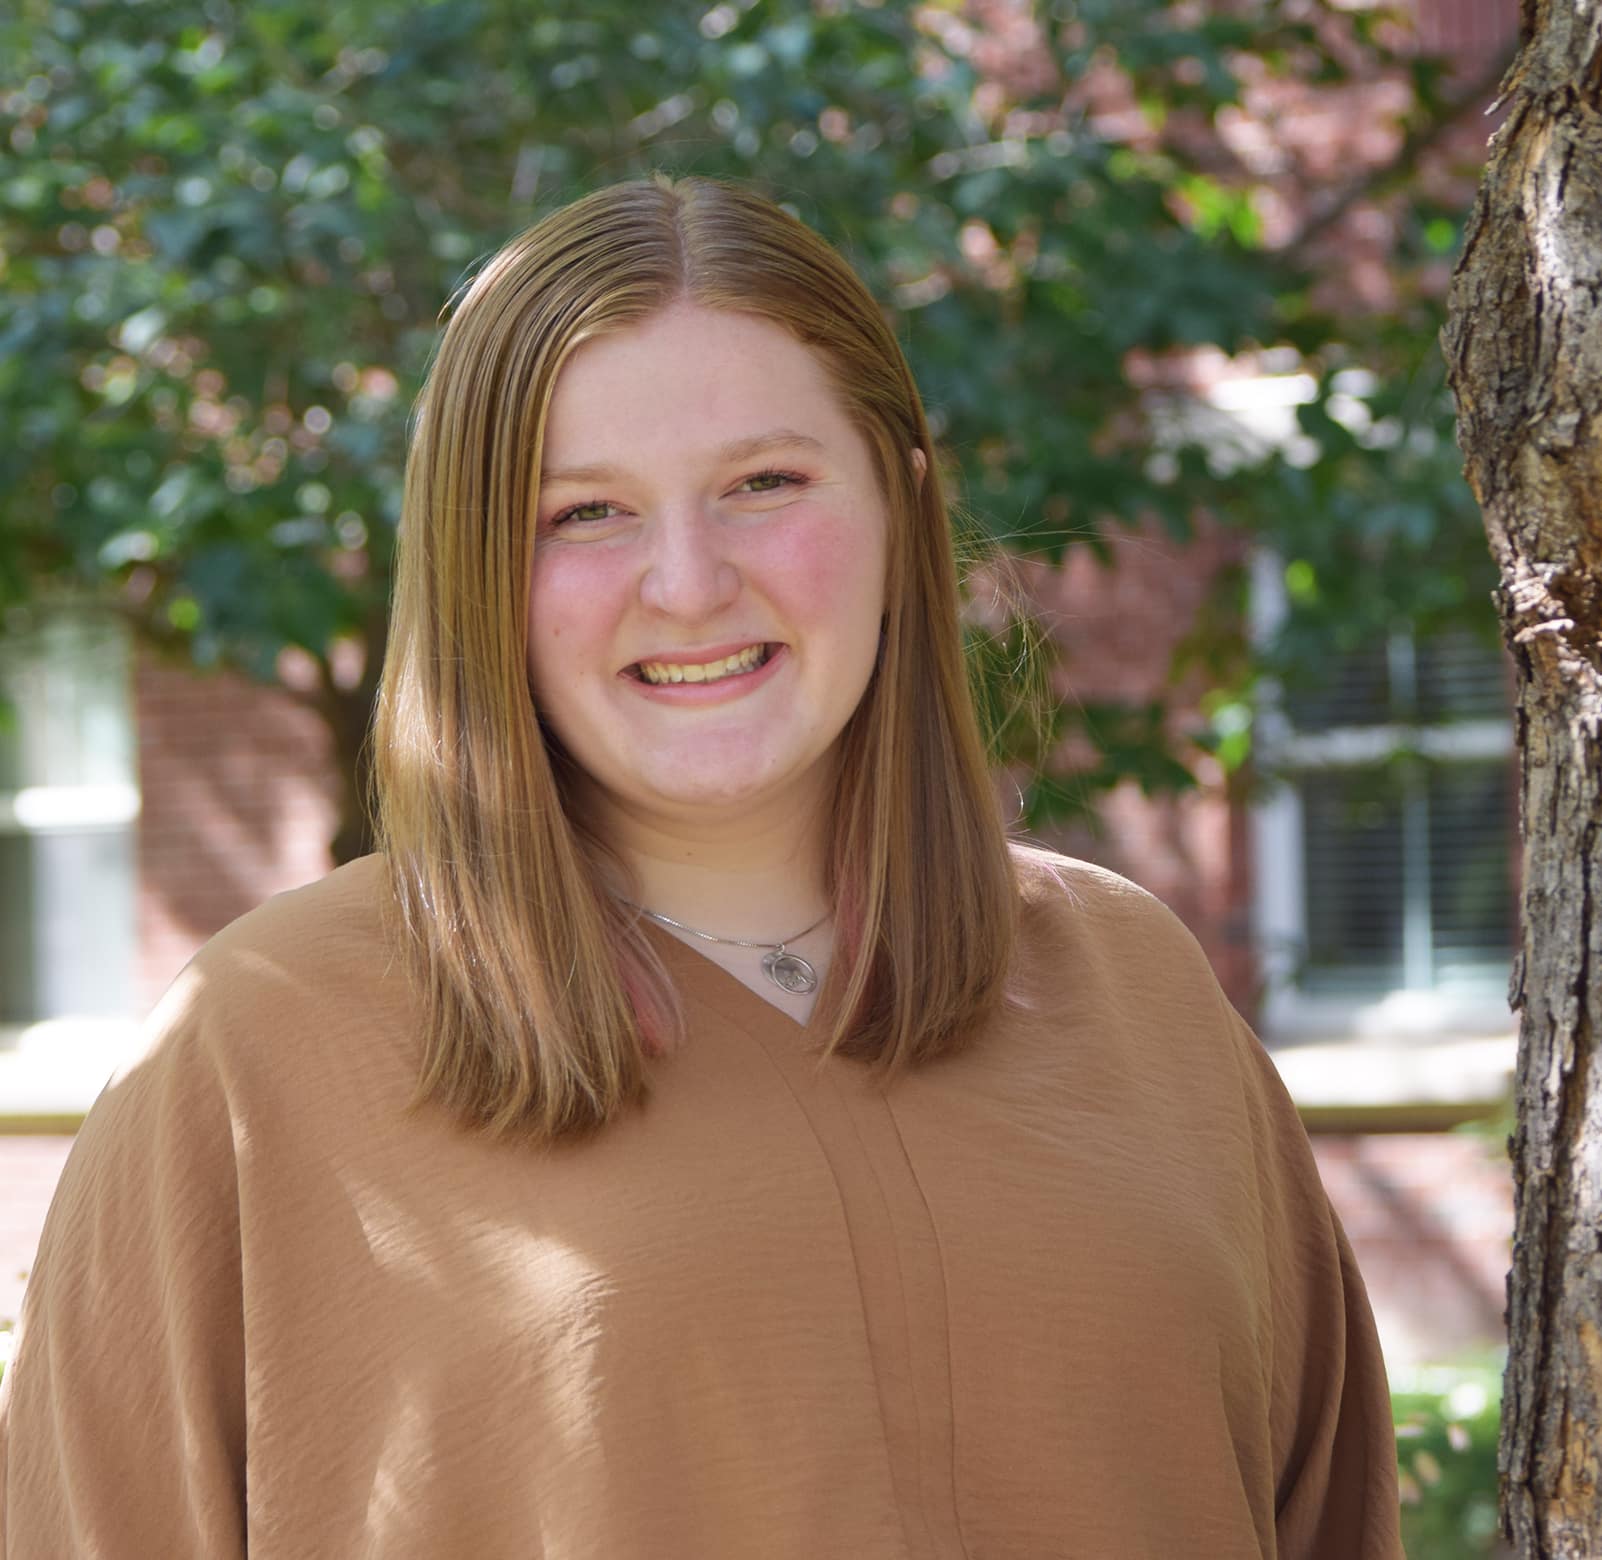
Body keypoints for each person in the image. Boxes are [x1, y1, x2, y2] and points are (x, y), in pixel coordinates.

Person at [0, 173, 1405, 1558]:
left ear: (900, 510)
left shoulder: (1139, 996)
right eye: (584, 513)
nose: (686, 581)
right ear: (478, 566)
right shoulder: (258, 1052)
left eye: (763, 483)